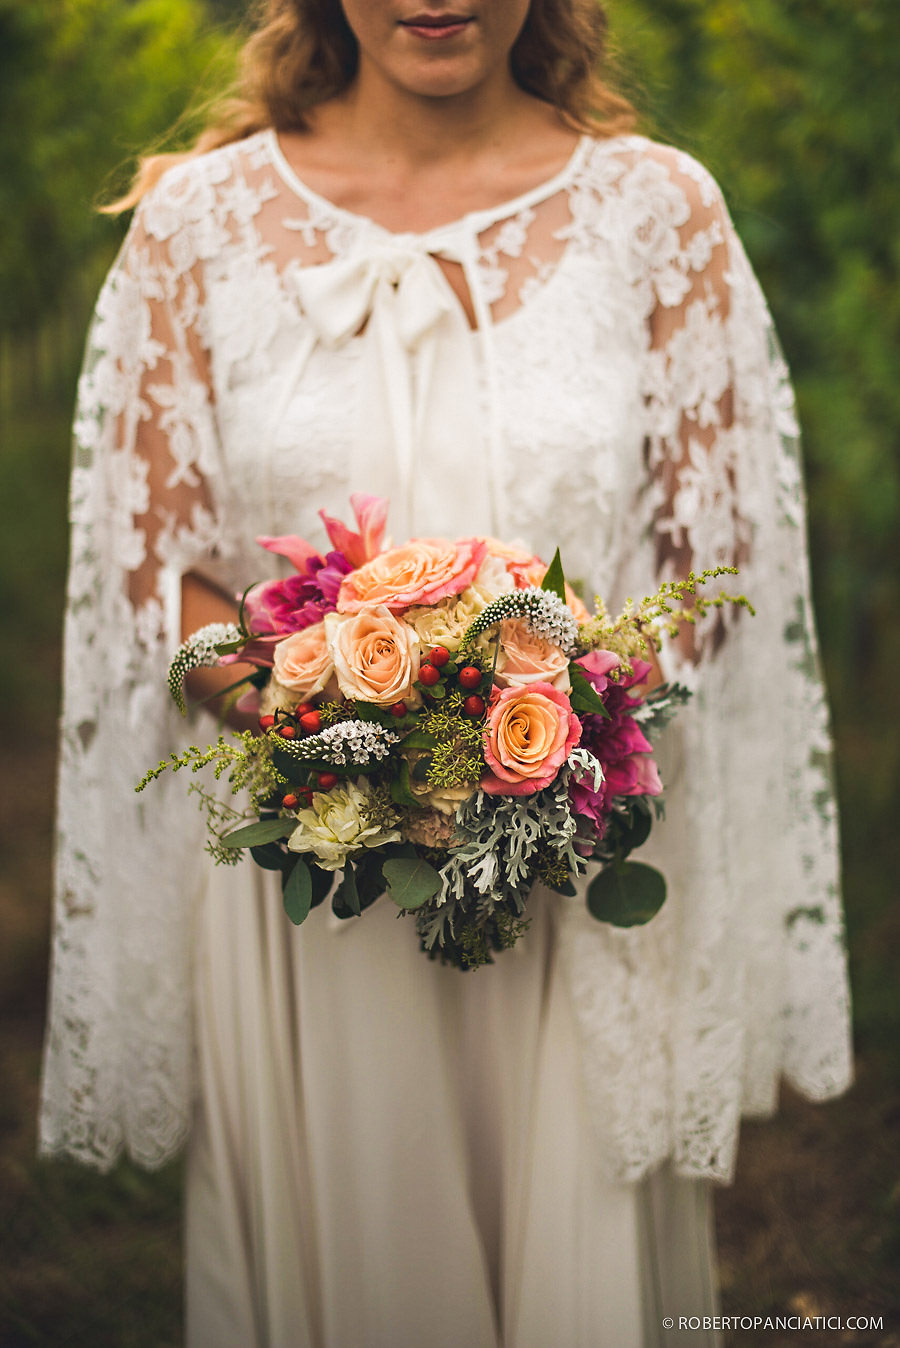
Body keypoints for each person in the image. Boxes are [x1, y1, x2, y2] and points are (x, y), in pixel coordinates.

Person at [39, 1, 853, 1344]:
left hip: (568, 881)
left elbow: (726, 554)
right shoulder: (196, 230)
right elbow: (147, 566)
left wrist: (552, 710)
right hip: (307, 899)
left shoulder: (660, 216)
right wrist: (294, 706)